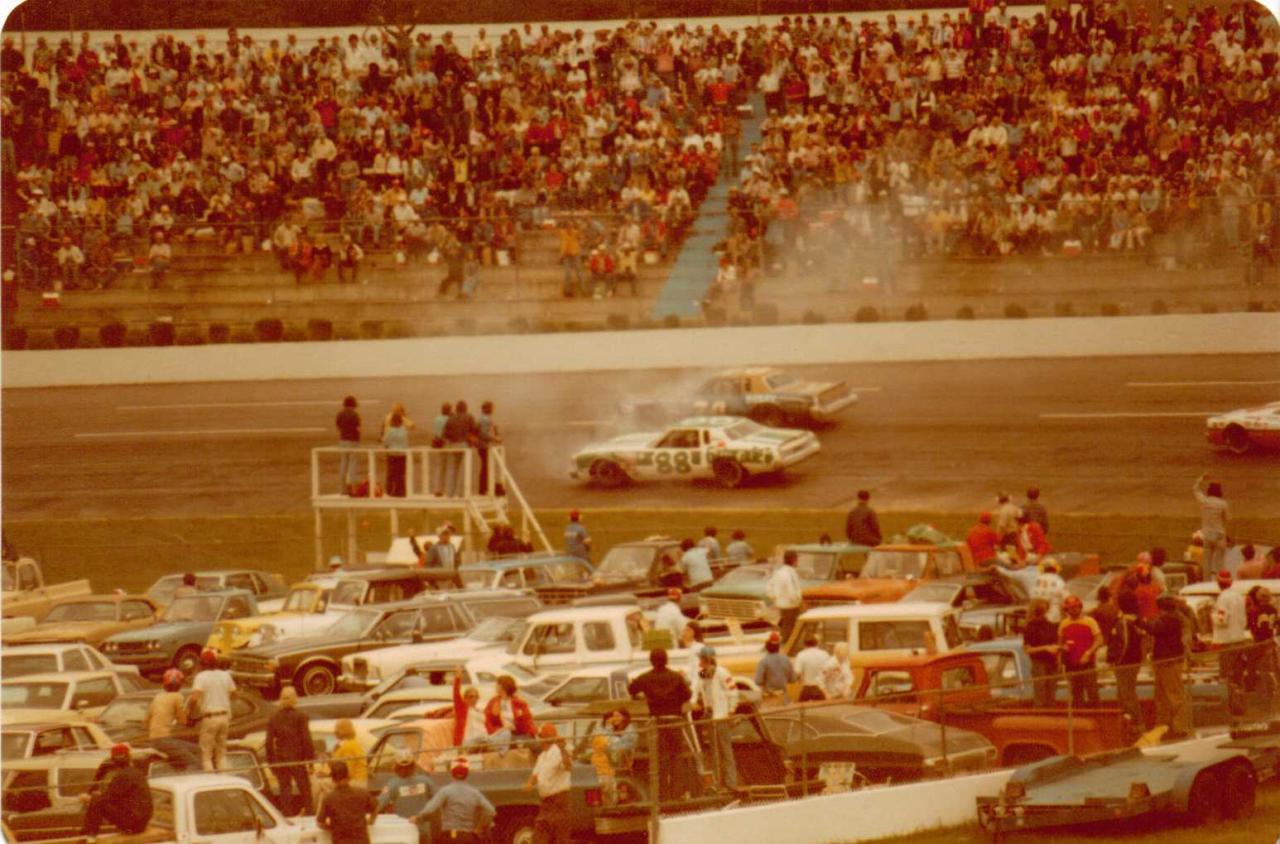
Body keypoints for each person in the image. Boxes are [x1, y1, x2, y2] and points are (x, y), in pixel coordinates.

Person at [628, 648, 692, 801]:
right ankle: (677, 794)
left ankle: (663, 796)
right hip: (675, 720)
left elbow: (631, 689)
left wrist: (644, 695)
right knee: (677, 757)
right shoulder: (676, 676)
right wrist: (676, 701)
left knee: (661, 759)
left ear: (651, 661)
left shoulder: (645, 677)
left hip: (657, 722)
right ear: (666, 659)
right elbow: (687, 695)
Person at [80, 744, 152, 842]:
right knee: (97, 799)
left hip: (133, 824)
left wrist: (89, 798)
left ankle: (90, 837)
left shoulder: (122, 776)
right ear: (129, 757)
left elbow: (109, 798)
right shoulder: (137, 773)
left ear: (113, 760)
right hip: (142, 823)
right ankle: (88, 834)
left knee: (96, 800)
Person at [691, 646, 739, 791]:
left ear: (707, 659)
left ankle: (731, 783)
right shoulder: (702, 674)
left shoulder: (722, 673)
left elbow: (733, 692)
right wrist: (693, 701)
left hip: (721, 716)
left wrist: (731, 710)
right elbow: (695, 689)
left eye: (701, 659)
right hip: (709, 716)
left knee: (726, 751)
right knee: (714, 751)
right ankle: (718, 783)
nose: (699, 662)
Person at [1142, 595, 1191, 738]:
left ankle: (1180, 727)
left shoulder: (1170, 620)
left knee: (1174, 695)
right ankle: (1164, 726)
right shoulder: (1174, 618)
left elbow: (1154, 628)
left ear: (1162, 608)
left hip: (1169, 662)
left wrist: (1139, 622)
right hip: (1163, 661)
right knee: (1162, 696)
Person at [417, 757, 495, 843]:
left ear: (452, 772)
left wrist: (418, 817)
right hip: (468, 837)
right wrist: (479, 828)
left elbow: (430, 809)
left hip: (450, 836)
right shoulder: (475, 793)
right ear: (467, 773)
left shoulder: (445, 791)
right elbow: (491, 811)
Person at [266, 686, 315, 817]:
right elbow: (306, 739)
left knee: (285, 790)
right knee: (305, 789)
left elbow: (268, 743)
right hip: (298, 759)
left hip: (281, 759)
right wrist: (310, 760)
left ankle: (287, 815)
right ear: (294, 699)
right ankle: (310, 814)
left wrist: (271, 763)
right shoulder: (301, 717)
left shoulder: (274, 718)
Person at [525, 724, 573, 844]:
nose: (540, 740)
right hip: (546, 802)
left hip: (559, 801)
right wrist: (529, 784)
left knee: (561, 836)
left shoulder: (560, 752)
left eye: (542, 737)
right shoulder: (542, 756)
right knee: (540, 834)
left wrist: (563, 750)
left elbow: (568, 767)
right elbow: (535, 774)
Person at [377, 749, 436, 844]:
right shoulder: (426, 781)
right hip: (423, 830)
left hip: (404, 833)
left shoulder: (392, 784)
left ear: (396, 766)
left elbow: (378, 804)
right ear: (413, 765)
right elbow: (438, 801)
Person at [191, 648, 236, 772]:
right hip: (224, 717)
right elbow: (234, 694)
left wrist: (190, 712)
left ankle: (210, 777)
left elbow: (194, 697)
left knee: (206, 755)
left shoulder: (201, 677)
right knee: (221, 753)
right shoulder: (225, 675)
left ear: (202, 663)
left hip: (210, 717)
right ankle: (224, 776)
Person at [1212, 569, 1249, 711]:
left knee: (1227, 676)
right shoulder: (1239, 596)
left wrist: (1212, 615)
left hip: (1227, 642)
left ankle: (1231, 706)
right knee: (1238, 675)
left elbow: (1222, 620)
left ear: (1219, 583)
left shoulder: (1223, 598)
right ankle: (1240, 705)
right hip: (1239, 638)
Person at [1109, 592, 1146, 734]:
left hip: (1125, 662)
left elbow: (1123, 643)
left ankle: (1136, 724)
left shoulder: (1123, 622)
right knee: (1125, 693)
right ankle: (1129, 724)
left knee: (1127, 694)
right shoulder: (1137, 620)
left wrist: (1116, 660)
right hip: (1134, 661)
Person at [317, 760, 378, 844]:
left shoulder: (329, 798)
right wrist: (371, 820)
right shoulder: (362, 793)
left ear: (333, 780)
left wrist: (332, 827)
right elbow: (376, 807)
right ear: (348, 777)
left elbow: (320, 823)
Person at [1058, 595, 1102, 706]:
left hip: (1088, 663)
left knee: (1092, 692)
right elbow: (1060, 643)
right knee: (1076, 694)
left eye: (1076, 607)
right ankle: (1079, 714)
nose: (1074, 609)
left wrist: (1089, 652)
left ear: (1080, 607)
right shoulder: (1063, 624)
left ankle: (1096, 713)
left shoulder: (1090, 621)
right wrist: (1063, 649)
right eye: (1071, 608)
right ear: (1066, 610)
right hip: (1071, 665)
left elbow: (1099, 640)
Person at [483, 675, 536, 754]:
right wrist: (499, 730)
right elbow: (486, 720)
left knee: (534, 744)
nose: (495, 687)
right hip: (500, 735)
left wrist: (515, 727)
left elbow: (528, 722)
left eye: (497, 685)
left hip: (517, 735)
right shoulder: (493, 702)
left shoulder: (520, 703)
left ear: (502, 687)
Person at [1023, 600, 1060, 707]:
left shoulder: (1051, 626)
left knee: (1052, 689)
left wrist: (1058, 652)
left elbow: (1056, 643)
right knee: (1040, 689)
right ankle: (1040, 711)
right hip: (1039, 662)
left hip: (1052, 661)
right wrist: (1045, 648)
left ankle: (1051, 710)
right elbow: (1028, 649)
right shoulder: (1030, 627)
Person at [1193, 474, 1230, 577]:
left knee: (1207, 563)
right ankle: (1221, 581)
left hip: (1207, 536)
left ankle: (1206, 581)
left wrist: (1201, 478)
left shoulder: (1204, 501)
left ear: (1209, 491)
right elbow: (1227, 519)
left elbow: (1195, 489)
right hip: (1219, 535)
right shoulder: (1223, 504)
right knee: (1220, 564)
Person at [766, 549, 803, 641]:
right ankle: (786, 645)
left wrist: (776, 599)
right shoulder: (790, 574)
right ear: (794, 560)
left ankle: (783, 642)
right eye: (797, 559)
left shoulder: (779, 572)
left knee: (785, 628)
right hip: (791, 606)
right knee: (791, 631)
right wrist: (799, 601)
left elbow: (769, 589)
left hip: (781, 606)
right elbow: (792, 591)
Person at [442, 400, 477, 497]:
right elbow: (474, 429)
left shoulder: (451, 418)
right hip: (464, 444)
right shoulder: (469, 417)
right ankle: (462, 493)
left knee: (452, 469)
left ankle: (449, 493)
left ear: (456, 408)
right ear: (465, 408)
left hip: (453, 445)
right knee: (464, 469)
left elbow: (445, 434)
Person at [755, 630, 796, 706]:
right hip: (784, 698)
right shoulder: (786, 660)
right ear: (778, 647)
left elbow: (758, 681)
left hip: (769, 698)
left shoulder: (764, 662)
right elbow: (793, 679)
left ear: (767, 647)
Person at [452, 669, 488, 751]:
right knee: (482, 739)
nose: (473, 699)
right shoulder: (462, 709)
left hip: (483, 740)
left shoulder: (480, 711)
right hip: (469, 741)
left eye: (476, 696)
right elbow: (456, 693)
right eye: (471, 696)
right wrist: (457, 679)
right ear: (465, 698)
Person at [147, 668, 186, 739]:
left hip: (152, 736)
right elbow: (183, 720)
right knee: (193, 746)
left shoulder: (158, 696)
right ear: (179, 685)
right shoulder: (178, 696)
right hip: (166, 736)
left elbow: (147, 719)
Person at [332, 719, 369, 788]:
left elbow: (349, 769)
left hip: (356, 781)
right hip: (357, 780)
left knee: (321, 783)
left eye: (337, 729)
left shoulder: (348, 746)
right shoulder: (350, 743)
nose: (334, 731)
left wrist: (330, 775)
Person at [336, 396, 362, 496]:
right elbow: (358, 428)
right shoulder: (355, 415)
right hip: (353, 441)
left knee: (343, 463)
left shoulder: (340, 414)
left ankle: (343, 489)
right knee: (352, 464)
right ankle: (352, 488)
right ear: (353, 405)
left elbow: (338, 426)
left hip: (343, 440)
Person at [1031, 558, 1068, 623]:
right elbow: (1067, 598)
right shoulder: (1058, 580)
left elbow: (1031, 596)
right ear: (1055, 569)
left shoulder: (1036, 580)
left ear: (1043, 569)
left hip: (1035, 616)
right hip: (1053, 617)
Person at [794, 634, 828, 702]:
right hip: (821, 688)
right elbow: (828, 670)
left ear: (805, 644)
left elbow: (797, 673)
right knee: (822, 707)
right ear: (817, 643)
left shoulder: (801, 655)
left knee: (801, 707)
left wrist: (798, 681)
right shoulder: (824, 654)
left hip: (807, 687)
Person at [475, 401, 500, 495]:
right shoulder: (485, 419)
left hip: (481, 445)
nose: (492, 409)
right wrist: (495, 438)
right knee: (486, 467)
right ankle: (483, 488)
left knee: (485, 466)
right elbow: (484, 434)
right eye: (491, 408)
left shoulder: (482, 418)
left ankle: (484, 488)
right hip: (484, 446)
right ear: (486, 409)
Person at [383, 411, 409, 498]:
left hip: (392, 454)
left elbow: (385, 442)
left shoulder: (390, 431)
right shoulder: (404, 431)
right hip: (402, 454)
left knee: (391, 474)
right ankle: (401, 491)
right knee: (401, 474)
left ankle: (390, 491)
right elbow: (406, 442)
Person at [429, 402, 452, 496]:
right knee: (449, 466)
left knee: (440, 466)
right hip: (447, 443)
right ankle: (447, 489)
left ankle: (437, 489)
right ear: (449, 410)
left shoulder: (437, 419)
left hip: (438, 442)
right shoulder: (449, 419)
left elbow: (435, 432)